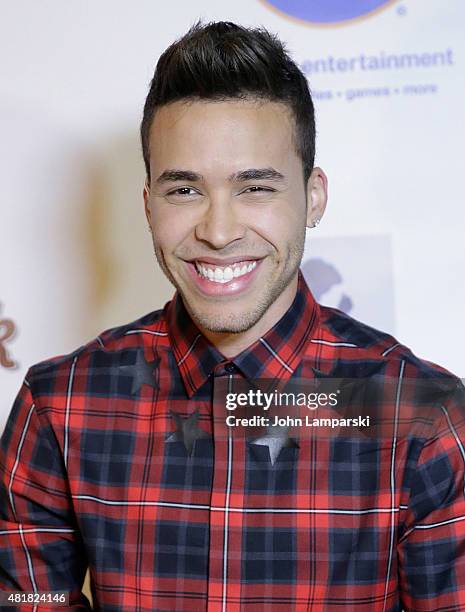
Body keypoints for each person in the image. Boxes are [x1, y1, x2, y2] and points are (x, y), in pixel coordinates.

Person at [1, 21, 464, 611]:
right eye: (185, 191)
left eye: (255, 189)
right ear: (148, 205)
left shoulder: (422, 417)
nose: (218, 232)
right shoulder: (62, 405)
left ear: (313, 196)